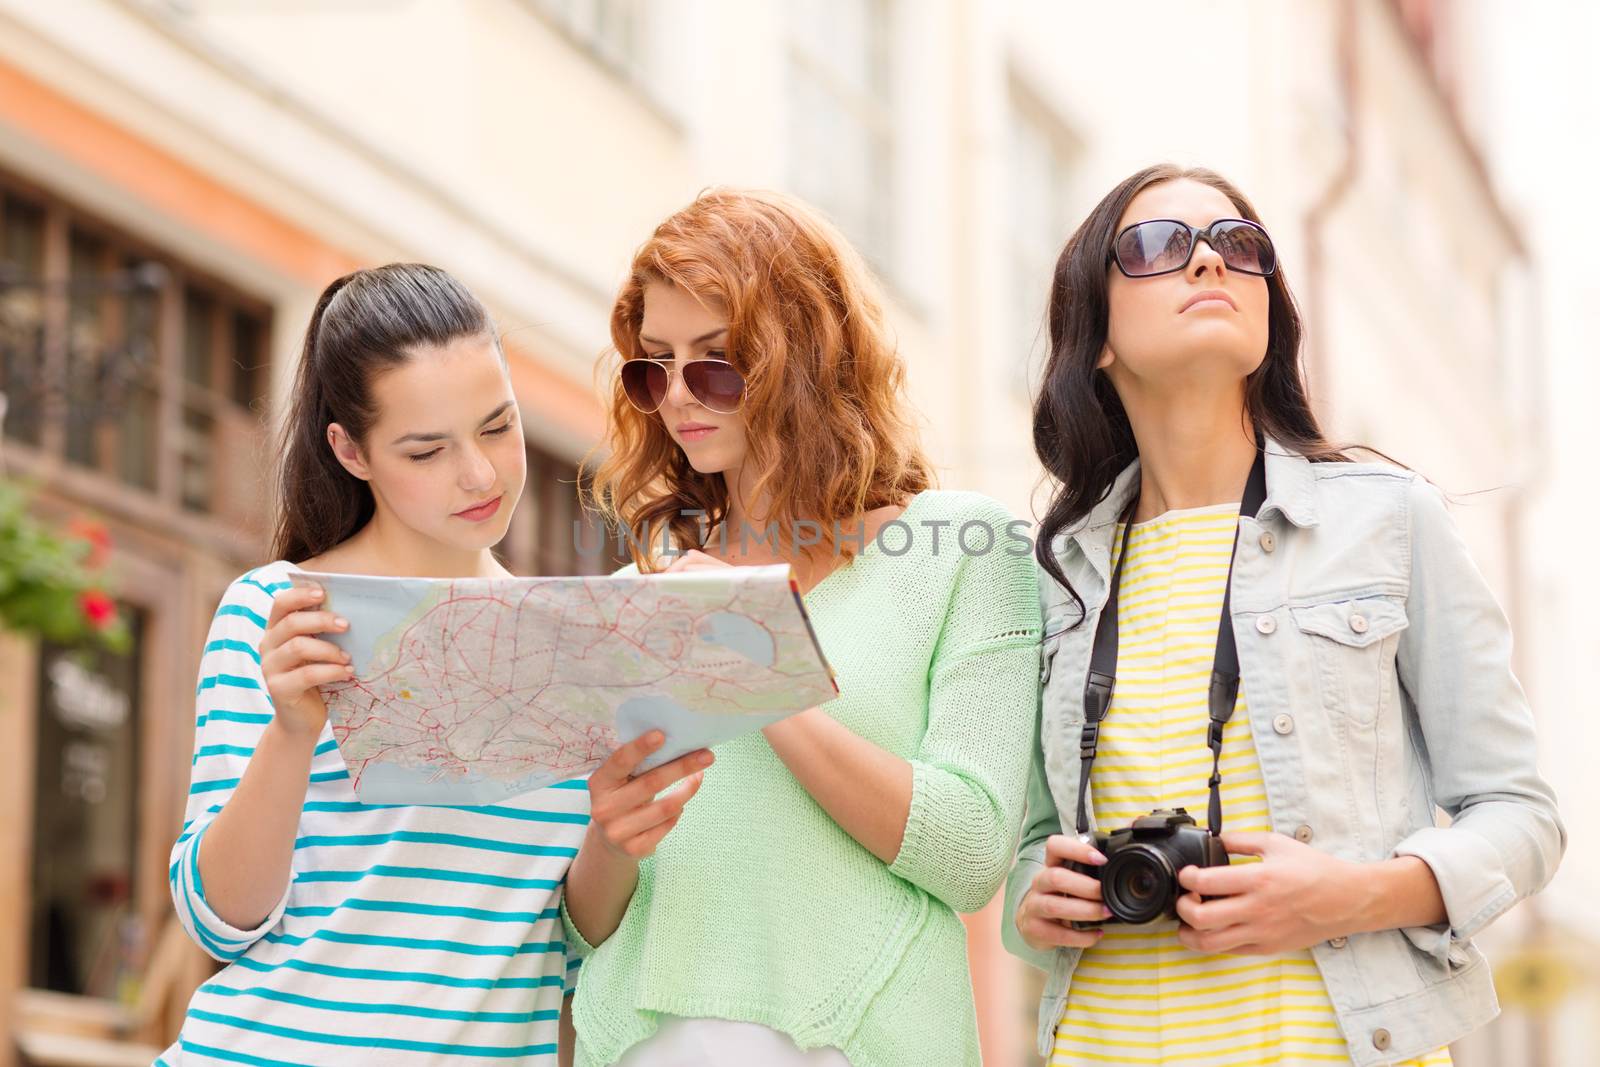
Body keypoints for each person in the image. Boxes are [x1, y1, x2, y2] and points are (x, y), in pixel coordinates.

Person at [1004, 164, 1565, 1067]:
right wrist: (1032, 906)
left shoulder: (1386, 518)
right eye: (1157, 246)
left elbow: (1521, 814)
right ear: (1095, 334)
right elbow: (1033, 846)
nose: (1208, 265)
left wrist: (1355, 896)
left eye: (1239, 246)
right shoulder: (1056, 572)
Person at [160, 263, 705, 1066]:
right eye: (427, 449)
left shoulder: (576, 642)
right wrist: (290, 734)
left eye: (497, 425)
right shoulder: (281, 612)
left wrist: (616, 838)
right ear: (351, 450)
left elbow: (567, 958)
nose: (479, 474)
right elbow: (218, 919)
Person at [561, 188, 1041, 1067]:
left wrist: (758, 665)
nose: (676, 396)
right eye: (651, 366)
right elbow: (584, 924)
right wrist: (609, 834)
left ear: (804, 356)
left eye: (714, 361)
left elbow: (974, 852)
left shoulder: (963, 550)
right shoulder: (641, 595)